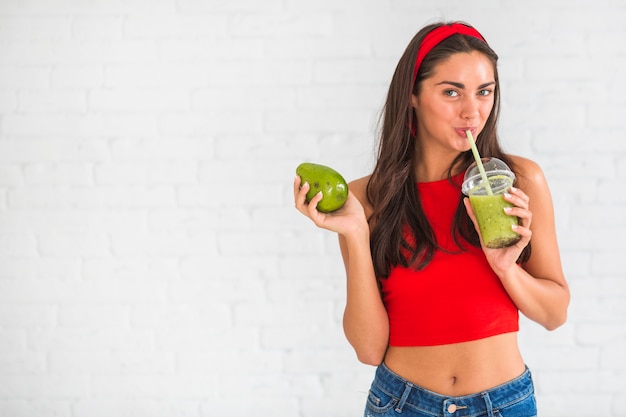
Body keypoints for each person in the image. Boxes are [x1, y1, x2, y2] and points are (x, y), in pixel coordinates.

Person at [294, 21, 569, 417]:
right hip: (401, 404)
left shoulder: (517, 182)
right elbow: (369, 349)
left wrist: (508, 270)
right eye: (451, 92)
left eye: (484, 92)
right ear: (413, 96)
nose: (472, 111)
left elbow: (555, 314)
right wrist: (355, 232)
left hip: (504, 404)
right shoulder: (364, 200)